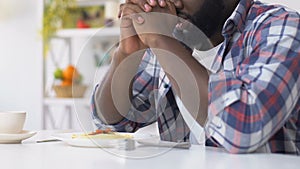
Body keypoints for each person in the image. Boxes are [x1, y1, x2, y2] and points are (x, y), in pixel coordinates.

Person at [91, 0, 300, 154]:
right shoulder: (176, 35)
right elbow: (113, 122)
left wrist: (162, 41)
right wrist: (126, 54)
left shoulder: (281, 27)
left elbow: (243, 128)